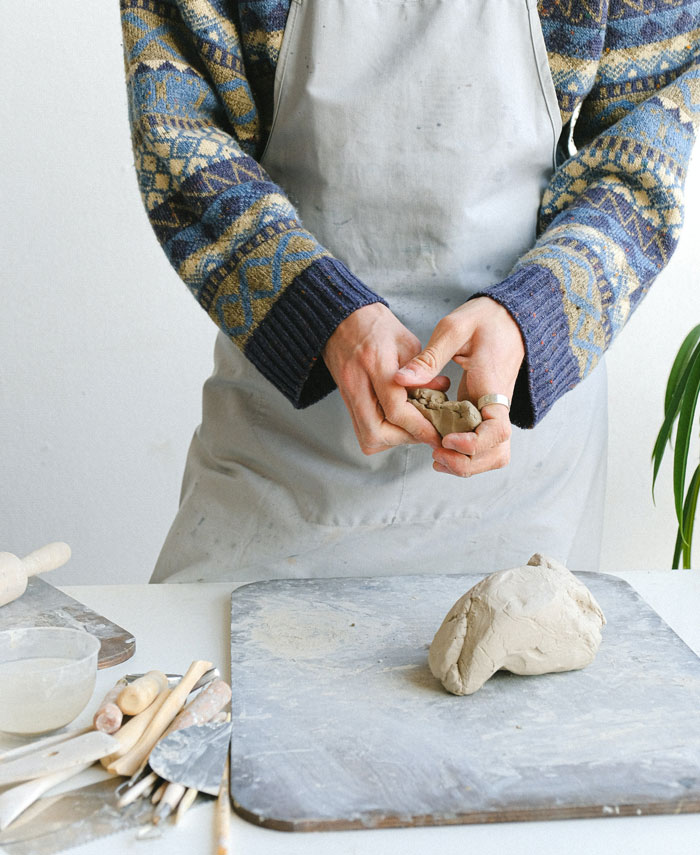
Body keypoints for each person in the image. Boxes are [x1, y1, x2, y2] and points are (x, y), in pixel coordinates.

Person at [119, 0, 699, 584]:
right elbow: (177, 134)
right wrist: (321, 312)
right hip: (285, 451)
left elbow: (638, 164)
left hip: (517, 464)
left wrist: (531, 317)